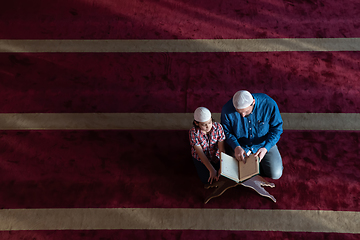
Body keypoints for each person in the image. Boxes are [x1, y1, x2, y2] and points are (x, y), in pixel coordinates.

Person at [221, 90, 283, 179]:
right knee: (234, 174)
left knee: (275, 174)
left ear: (253, 102)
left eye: (246, 111)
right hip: (241, 145)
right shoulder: (227, 109)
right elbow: (226, 131)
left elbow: (277, 129)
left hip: (263, 144)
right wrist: (236, 147)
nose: (242, 115)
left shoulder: (269, 104)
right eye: (239, 112)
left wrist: (266, 148)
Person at [189, 107, 226, 185]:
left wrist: (222, 166)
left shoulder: (218, 127)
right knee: (207, 180)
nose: (208, 126)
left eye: (209, 122)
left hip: (216, 156)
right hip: (201, 158)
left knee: (224, 175)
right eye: (204, 124)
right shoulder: (193, 132)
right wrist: (211, 170)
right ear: (196, 123)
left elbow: (221, 149)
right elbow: (200, 153)